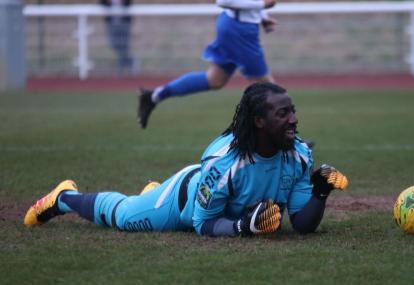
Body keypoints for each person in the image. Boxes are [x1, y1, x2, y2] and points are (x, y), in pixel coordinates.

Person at [24, 83, 348, 237]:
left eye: (293, 110)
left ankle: (150, 194)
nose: (293, 119)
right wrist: (240, 227)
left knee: (141, 206)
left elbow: (303, 226)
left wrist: (320, 192)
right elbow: (202, 222)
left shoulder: (299, 154)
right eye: (283, 113)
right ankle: (64, 197)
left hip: (207, 203)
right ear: (259, 122)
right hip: (185, 201)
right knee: (123, 217)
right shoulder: (224, 164)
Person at [137, 0, 279, 129]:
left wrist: (262, 15)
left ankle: (154, 96)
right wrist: (261, 6)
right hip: (238, 29)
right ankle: (290, 143)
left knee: (215, 80)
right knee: (268, 89)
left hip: (239, 24)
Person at [99, 0, 134, 76]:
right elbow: (101, 1)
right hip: (111, 21)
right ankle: (130, 61)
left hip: (123, 21)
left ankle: (122, 69)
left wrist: (122, 1)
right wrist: (108, 2)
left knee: (124, 44)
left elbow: (129, 1)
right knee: (113, 43)